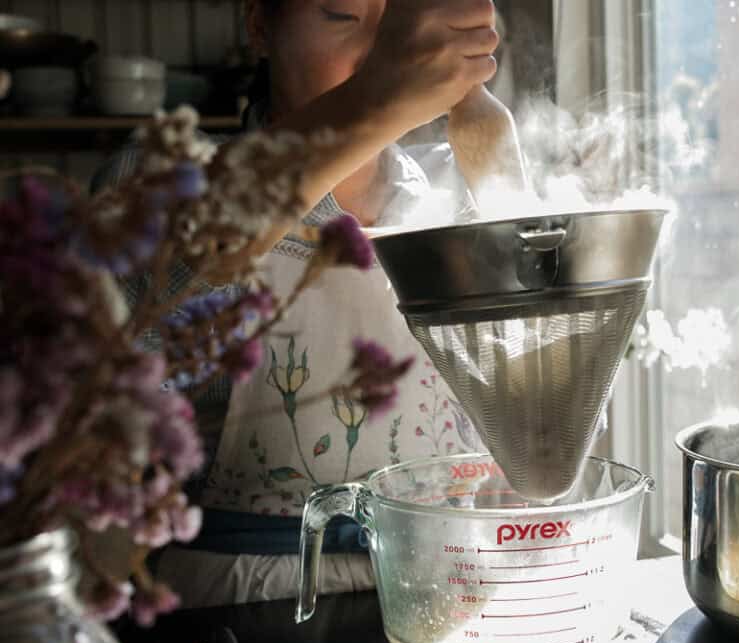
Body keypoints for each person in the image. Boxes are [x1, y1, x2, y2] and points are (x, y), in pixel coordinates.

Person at [94, 0, 498, 607]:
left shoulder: (457, 196)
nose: (383, 52)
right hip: (247, 607)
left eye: (397, 26)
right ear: (259, 25)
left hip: (446, 593)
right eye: (342, 16)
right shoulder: (163, 175)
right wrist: (377, 99)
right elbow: (204, 240)